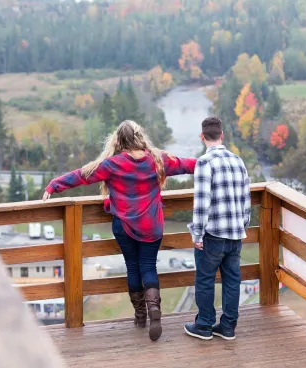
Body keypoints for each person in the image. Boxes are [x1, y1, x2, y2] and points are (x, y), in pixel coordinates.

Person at [42, 120, 196, 341]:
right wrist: (217, 162)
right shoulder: (158, 160)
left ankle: (140, 316)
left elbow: (81, 175)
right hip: (151, 225)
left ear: (119, 140)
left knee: (133, 268)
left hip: (123, 226)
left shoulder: (112, 164)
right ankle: (155, 313)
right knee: (148, 267)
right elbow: (188, 164)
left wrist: (53, 185)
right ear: (140, 136)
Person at [184, 117, 251, 341]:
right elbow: (246, 199)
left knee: (205, 279)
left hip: (212, 235)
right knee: (232, 280)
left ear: (202, 137)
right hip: (235, 234)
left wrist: (197, 233)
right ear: (222, 135)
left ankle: (204, 326)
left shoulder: (204, 162)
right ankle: (228, 327)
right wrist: (243, 225)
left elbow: (202, 202)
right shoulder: (238, 161)